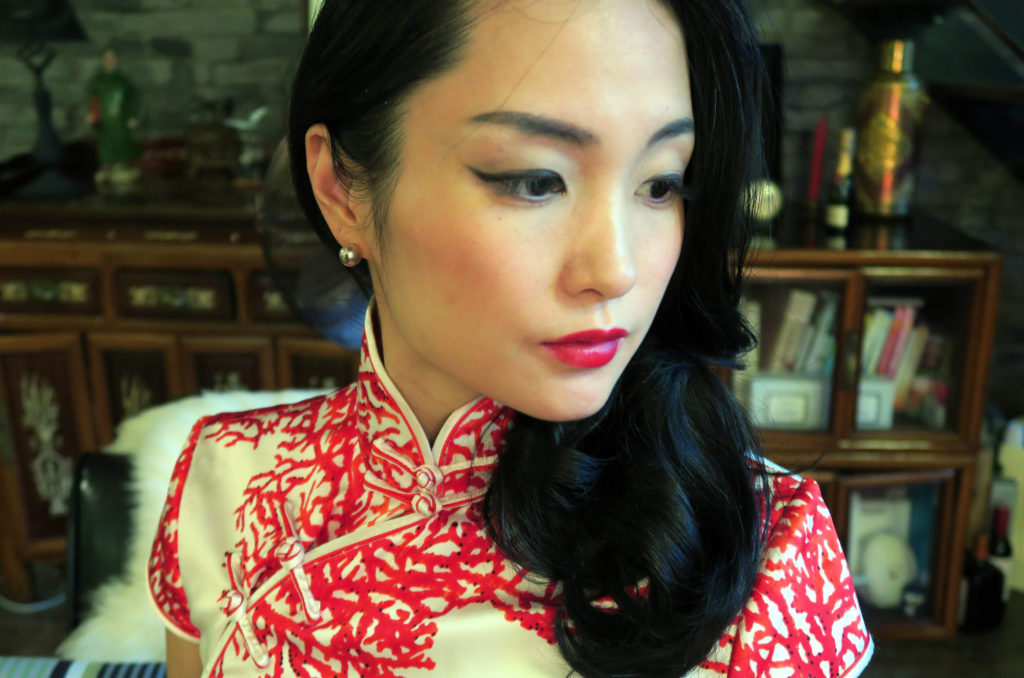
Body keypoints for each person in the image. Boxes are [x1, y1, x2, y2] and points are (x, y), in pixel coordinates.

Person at [149, 1, 874, 676]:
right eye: (535, 180)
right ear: (342, 189)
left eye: (661, 185)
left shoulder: (764, 553)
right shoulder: (222, 480)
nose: (616, 270)